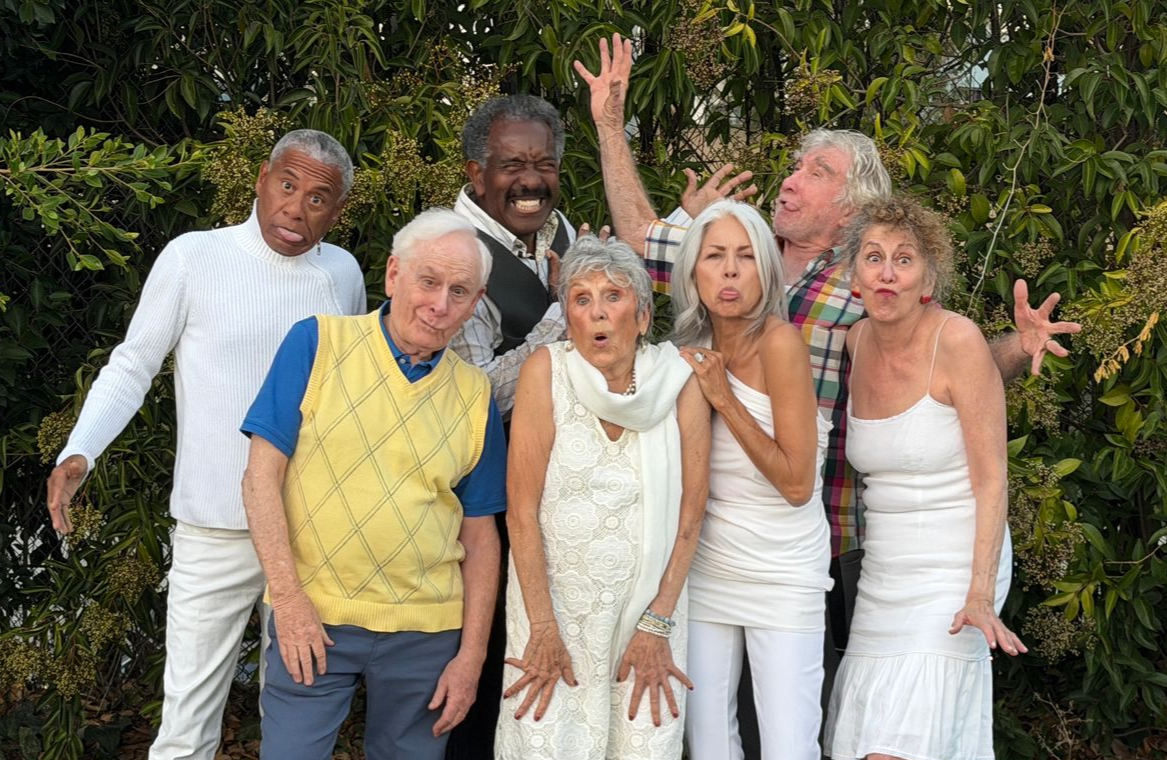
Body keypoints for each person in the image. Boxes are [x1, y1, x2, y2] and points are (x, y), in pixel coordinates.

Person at [575, 34, 1078, 753]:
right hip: (711, 532)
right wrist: (608, 124)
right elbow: (641, 233)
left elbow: (944, 361)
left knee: (812, 718)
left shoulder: (867, 285)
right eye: (795, 164)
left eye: (817, 170)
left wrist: (1015, 349)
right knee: (720, 724)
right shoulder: (737, 260)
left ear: (850, 207)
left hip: (829, 540)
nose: (792, 177)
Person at [45, 129, 365, 760]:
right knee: (186, 729)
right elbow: (135, 362)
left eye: (319, 198)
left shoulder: (341, 275)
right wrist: (81, 450)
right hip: (212, 528)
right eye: (288, 185)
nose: (297, 208)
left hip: (308, 534)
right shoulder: (194, 257)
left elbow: (345, 398)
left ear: (340, 210)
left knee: (296, 720)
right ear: (262, 180)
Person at [239, 208, 507, 760]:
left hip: (427, 635)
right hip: (315, 618)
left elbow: (481, 538)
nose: (439, 305)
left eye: (460, 292)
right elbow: (260, 479)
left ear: (476, 304)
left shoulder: (475, 395)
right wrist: (287, 603)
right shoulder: (317, 343)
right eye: (428, 282)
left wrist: (472, 656)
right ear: (392, 274)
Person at [824, 196, 1027, 759]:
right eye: (873, 257)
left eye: (904, 259)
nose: (887, 272)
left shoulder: (956, 339)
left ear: (928, 278)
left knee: (892, 747)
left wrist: (981, 593)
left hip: (955, 568)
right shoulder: (855, 342)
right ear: (854, 274)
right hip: (884, 575)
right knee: (869, 741)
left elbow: (993, 482)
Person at [495, 236, 711, 760]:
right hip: (553, 613)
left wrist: (658, 624)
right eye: (581, 298)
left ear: (641, 315)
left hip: (650, 617)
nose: (597, 313)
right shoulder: (545, 371)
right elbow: (521, 512)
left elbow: (691, 513)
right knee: (545, 739)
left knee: (642, 740)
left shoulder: (679, 380)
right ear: (567, 316)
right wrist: (542, 627)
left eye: (612, 296)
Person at [671, 200, 832, 760]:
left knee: (789, 744)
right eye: (715, 255)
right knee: (709, 741)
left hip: (784, 570)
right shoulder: (686, 352)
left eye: (746, 256)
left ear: (767, 270)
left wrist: (724, 401)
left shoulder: (779, 343)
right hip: (709, 566)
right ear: (694, 270)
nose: (731, 270)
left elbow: (796, 483)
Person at [449, 94, 576, 416]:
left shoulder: (559, 227)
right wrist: (566, 309)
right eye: (513, 165)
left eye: (545, 165)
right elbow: (476, 397)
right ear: (478, 175)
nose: (532, 180)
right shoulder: (455, 259)